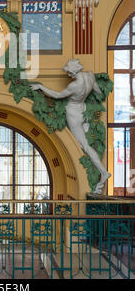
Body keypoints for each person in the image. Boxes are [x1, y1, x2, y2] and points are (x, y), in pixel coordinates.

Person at [31, 59, 111, 195]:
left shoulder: (74, 86)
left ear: (74, 71)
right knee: (83, 144)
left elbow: (57, 95)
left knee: (82, 146)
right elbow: (98, 93)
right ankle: (102, 170)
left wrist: (41, 87)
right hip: (83, 110)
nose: (68, 75)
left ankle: (103, 172)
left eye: (69, 72)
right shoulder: (90, 76)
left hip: (73, 113)